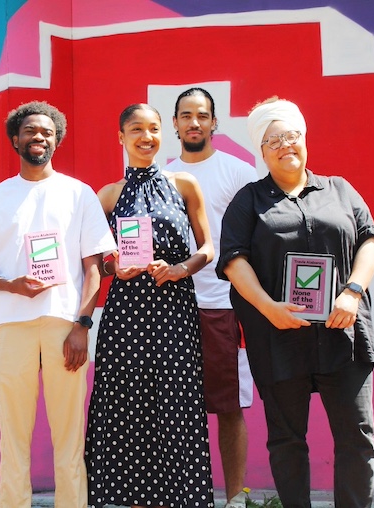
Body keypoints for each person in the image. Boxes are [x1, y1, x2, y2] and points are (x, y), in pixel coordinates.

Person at [216, 98, 374, 508]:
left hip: (343, 333)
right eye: (273, 139)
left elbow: (371, 240)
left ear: (304, 138)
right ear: (261, 149)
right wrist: (268, 307)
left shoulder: (340, 189)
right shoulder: (248, 201)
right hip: (278, 336)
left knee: (356, 438)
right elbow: (234, 261)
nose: (284, 145)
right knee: (287, 440)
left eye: (291, 136)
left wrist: (353, 290)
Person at [0, 101, 116, 508]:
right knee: (13, 436)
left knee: (69, 435)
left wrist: (83, 325)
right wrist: (10, 284)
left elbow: (94, 268)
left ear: (56, 139)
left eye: (47, 132)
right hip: (11, 325)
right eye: (30, 131)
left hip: (66, 325)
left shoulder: (78, 193)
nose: (39, 137)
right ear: (16, 138)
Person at [85, 104, 215, 508]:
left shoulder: (186, 184)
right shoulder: (107, 195)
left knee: (177, 408)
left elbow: (209, 249)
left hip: (174, 314)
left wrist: (180, 268)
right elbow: (93, 258)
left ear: (164, 133)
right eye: (136, 129)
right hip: (125, 319)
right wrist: (113, 266)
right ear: (120, 137)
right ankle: (134, 500)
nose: (146, 136)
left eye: (154, 128)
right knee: (128, 411)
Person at [163, 88, 258, 507]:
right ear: (176, 124)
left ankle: (235, 497)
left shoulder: (239, 172)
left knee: (229, 407)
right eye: (186, 115)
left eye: (202, 115)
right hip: (172, 307)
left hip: (224, 304)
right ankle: (182, 495)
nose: (194, 122)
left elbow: (257, 236)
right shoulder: (161, 175)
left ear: (214, 123)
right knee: (175, 410)